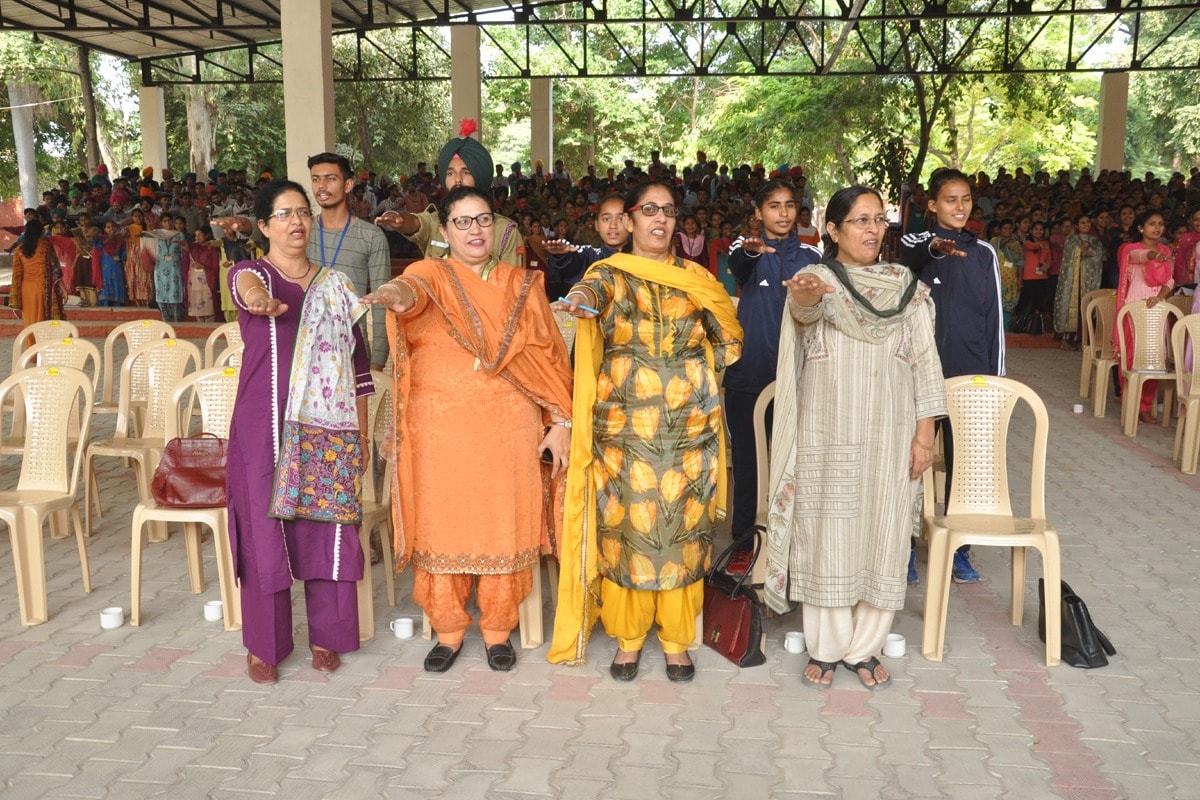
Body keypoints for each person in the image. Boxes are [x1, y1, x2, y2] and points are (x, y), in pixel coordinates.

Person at [362, 186, 574, 673]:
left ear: (495, 227)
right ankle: (449, 631)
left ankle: (498, 630)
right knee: (443, 525)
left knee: (503, 525)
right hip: (440, 431)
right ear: (445, 230)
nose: (475, 230)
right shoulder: (429, 273)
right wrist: (392, 295)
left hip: (507, 429)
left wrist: (559, 421)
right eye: (463, 221)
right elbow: (410, 294)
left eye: (483, 220)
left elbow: (548, 357)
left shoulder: (521, 284)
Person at [548, 181, 743, 682]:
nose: (660, 219)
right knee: (628, 533)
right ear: (630, 219)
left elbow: (728, 337)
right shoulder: (609, 274)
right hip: (625, 432)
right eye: (649, 210)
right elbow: (589, 294)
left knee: (683, 535)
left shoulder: (697, 278)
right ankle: (629, 639)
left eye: (669, 211)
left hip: (688, 431)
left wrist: (692, 375)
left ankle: (677, 641)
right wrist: (579, 300)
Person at [766, 185, 946, 689]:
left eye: (879, 220)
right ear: (833, 229)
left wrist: (925, 436)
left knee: (884, 531)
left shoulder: (905, 286)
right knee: (828, 533)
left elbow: (926, 362)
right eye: (860, 220)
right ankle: (826, 648)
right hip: (828, 432)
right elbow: (804, 311)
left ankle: (864, 648)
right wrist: (804, 296)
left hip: (892, 431)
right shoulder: (817, 280)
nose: (872, 229)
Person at [226, 179, 374, 685]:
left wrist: (362, 435)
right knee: (262, 529)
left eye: (303, 213)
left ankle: (327, 636)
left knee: (325, 526)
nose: (296, 221)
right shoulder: (252, 274)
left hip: (327, 430)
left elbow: (358, 366)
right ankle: (265, 645)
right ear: (264, 226)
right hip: (262, 426)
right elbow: (246, 288)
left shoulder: (336, 287)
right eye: (284, 214)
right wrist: (260, 301)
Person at [899, 168, 1004, 585]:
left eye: (965, 200)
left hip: (970, 375)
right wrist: (936, 246)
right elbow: (914, 251)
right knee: (912, 462)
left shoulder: (984, 253)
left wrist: (995, 381)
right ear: (932, 205)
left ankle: (960, 549)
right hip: (920, 377)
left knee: (966, 468)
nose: (959, 207)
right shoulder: (916, 244)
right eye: (949, 200)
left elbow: (994, 318)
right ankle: (905, 547)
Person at [722, 179, 821, 574]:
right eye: (774, 206)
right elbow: (738, 263)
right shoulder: (745, 248)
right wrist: (751, 250)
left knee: (794, 465)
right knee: (748, 464)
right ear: (759, 213)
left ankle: (792, 544)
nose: (783, 213)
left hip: (799, 379)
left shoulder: (812, 256)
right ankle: (743, 543)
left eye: (789, 205)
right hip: (748, 376)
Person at [213, 153, 392, 371]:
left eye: (330, 179)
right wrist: (243, 224)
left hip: (348, 351)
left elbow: (382, 301)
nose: (321, 186)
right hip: (296, 348)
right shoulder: (301, 228)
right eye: (316, 179)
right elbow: (271, 226)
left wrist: (377, 362)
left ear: (348, 185)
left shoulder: (371, 236)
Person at [375, 121, 523, 267]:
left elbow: (513, 281)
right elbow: (415, 222)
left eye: (466, 172)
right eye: (450, 173)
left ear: (479, 176)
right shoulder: (435, 222)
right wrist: (400, 220)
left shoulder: (505, 231)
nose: (457, 180)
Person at [1113, 210, 1174, 424]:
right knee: (1133, 357)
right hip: (1134, 308)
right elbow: (1139, 256)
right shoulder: (1129, 249)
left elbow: (1170, 280)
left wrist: (1161, 296)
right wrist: (1153, 256)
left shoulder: (1166, 249)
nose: (1157, 228)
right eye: (1151, 224)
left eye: (1160, 224)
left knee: (1155, 358)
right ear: (1140, 228)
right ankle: (1130, 403)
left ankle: (1145, 405)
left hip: (1157, 308)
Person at [543, 194, 629, 300]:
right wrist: (563, 255)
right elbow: (575, 260)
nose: (613, 225)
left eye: (620, 219)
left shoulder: (642, 258)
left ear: (631, 222)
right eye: (606, 219)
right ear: (597, 225)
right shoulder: (590, 255)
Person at [1053, 214, 1104, 347]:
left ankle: (1083, 340)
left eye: (1088, 222)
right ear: (1076, 226)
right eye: (1082, 222)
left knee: (1085, 305)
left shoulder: (1095, 241)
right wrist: (1084, 252)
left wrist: (1085, 252)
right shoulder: (1071, 240)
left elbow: (1098, 256)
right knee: (1070, 304)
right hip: (1072, 279)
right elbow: (1070, 256)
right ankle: (1066, 339)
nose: (1086, 225)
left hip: (1088, 279)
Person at [9, 220, 65, 339]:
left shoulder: (19, 249)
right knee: (44, 321)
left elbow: (16, 275)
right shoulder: (46, 246)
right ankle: (44, 348)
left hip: (26, 290)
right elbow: (55, 270)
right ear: (42, 231)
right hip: (43, 289)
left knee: (30, 322)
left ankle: (32, 349)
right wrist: (63, 289)